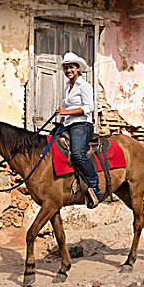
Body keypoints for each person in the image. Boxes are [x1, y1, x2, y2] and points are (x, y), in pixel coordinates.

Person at [56, 52, 102, 208]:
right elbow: (66, 107)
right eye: (66, 68)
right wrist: (60, 122)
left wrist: (66, 112)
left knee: (78, 154)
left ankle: (95, 187)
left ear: (77, 68)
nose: (68, 70)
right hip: (68, 123)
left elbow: (89, 108)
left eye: (71, 67)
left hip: (82, 124)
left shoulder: (84, 86)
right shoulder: (68, 86)